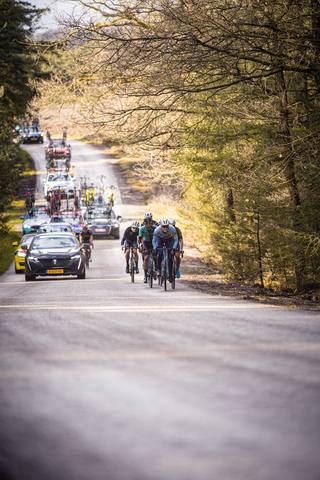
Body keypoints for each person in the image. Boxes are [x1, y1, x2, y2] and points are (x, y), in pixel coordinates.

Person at [152, 218, 179, 282]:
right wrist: (155, 248)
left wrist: (174, 248)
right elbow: (153, 241)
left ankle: (170, 274)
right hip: (160, 239)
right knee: (160, 253)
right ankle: (158, 269)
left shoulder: (172, 228)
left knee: (170, 256)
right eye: (163, 227)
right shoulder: (157, 230)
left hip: (169, 239)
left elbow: (176, 240)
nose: (165, 228)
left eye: (166, 226)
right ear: (160, 226)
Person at [138, 216, 157, 283]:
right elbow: (139, 238)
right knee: (146, 258)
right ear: (144, 223)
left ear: (151, 223)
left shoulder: (155, 228)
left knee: (155, 257)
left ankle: (156, 270)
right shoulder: (142, 229)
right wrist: (140, 245)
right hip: (146, 243)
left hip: (153, 243)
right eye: (146, 223)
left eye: (149, 223)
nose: (148, 225)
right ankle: (145, 275)